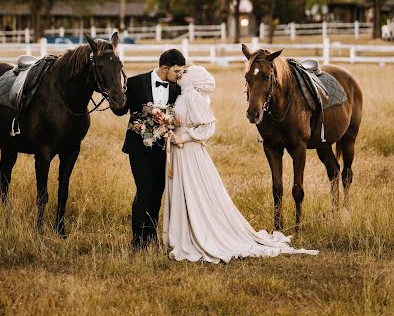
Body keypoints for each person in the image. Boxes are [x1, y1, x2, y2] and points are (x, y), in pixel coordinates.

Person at [163, 64, 318, 263]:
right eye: (178, 72)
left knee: (196, 191)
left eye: (182, 72)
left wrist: (184, 137)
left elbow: (208, 125)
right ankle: (185, 232)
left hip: (187, 150)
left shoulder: (191, 96)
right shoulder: (184, 96)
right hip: (180, 152)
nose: (179, 76)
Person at [112, 48, 186, 249]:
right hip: (139, 148)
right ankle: (137, 240)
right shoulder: (135, 83)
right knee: (144, 191)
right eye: (177, 72)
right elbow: (120, 111)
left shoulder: (177, 89)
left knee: (158, 192)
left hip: (164, 149)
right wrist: (114, 91)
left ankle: (150, 236)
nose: (179, 76)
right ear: (164, 68)